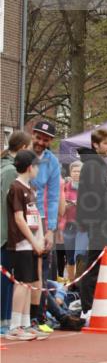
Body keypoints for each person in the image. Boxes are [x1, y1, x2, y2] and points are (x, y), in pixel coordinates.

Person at [77, 128, 107, 318]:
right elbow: (97, 197)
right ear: (95, 145)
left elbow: (97, 193)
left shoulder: (96, 164)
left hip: (101, 221)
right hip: (99, 223)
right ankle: (87, 308)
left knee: (101, 265)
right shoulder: (93, 165)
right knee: (95, 265)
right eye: (106, 143)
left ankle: (93, 305)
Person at [5, 150, 49, 340]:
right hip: (21, 243)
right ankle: (15, 326)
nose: (38, 170)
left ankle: (25, 323)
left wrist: (40, 239)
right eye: (37, 166)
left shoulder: (30, 189)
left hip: (31, 243)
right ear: (30, 167)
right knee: (22, 283)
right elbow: (19, 218)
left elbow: (35, 216)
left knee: (29, 283)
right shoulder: (16, 188)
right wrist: (32, 241)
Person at [30, 120, 61, 322]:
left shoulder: (52, 162)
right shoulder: (21, 154)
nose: (41, 142)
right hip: (18, 214)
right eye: (38, 137)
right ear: (32, 135)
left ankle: (38, 317)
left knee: (41, 269)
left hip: (39, 218)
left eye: (46, 140)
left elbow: (53, 197)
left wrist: (50, 229)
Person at [0, 130, 31, 333]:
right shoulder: (11, 171)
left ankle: (9, 319)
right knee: (8, 279)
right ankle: (5, 320)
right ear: (22, 148)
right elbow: (8, 206)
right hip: (7, 234)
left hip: (7, 232)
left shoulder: (6, 168)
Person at [61, 159, 82, 284]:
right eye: (74, 171)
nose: (77, 174)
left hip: (83, 226)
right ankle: (71, 282)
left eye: (79, 171)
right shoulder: (65, 187)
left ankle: (80, 282)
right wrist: (65, 205)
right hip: (68, 225)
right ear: (70, 172)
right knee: (70, 256)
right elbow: (59, 205)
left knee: (81, 255)